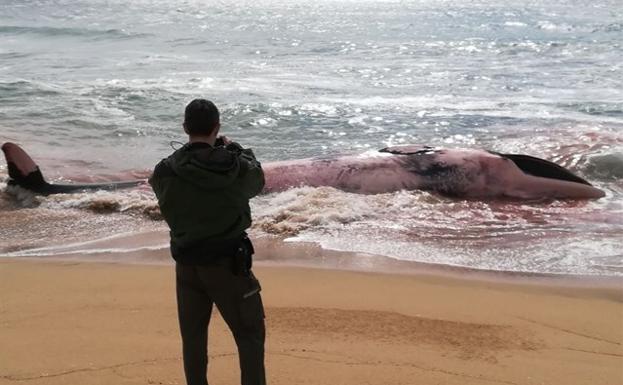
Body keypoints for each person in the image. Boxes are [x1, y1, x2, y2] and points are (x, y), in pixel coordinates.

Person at [148, 99, 266, 385]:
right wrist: (236, 149)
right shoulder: (235, 167)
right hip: (228, 265)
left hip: (187, 263)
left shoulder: (165, 170)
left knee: (193, 339)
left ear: (185, 128)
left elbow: (162, 193)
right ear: (217, 127)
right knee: (249, 335)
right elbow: (258, 181)